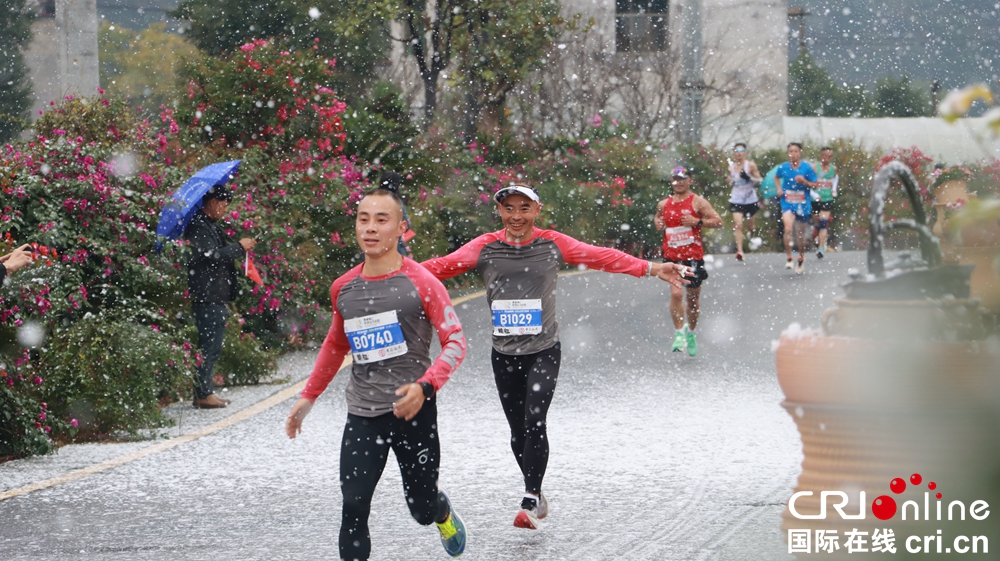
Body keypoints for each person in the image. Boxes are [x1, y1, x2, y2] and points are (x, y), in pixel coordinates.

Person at [421, 183, 690, 530]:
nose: (517, 216)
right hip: (503, 353)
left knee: (535, 418)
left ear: (537, 210)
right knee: (518, 432)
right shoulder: (485, 246)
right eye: (509, 209)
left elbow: (602, 256)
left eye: (524, 208)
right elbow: (439, 267)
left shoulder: (552, 243)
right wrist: (387, 274)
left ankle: (530, 497)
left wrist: (652, 269)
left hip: (544, 350)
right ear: (500, 211)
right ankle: (538, 491)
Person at [285, 184, 469, 560]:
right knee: (353, 507)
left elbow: (456, 342)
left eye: (381, 220)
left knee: (420, 509)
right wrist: (309, 397)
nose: (370, 228)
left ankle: (441, 510)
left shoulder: (422, 283)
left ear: (401, 228)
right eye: (363, 219)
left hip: (412, 411)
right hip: (363, 414)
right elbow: (336, 345)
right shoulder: (344, 288)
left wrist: (425, 387)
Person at [183, 185, 256, 409]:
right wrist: (239, 247)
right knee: (208, 345)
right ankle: (203, 393)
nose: (224, 210)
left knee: (212, 344)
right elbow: (211, 256)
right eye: (223, 205)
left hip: (215, 295)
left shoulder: (209, 225)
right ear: (213, 202)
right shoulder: (198, 226)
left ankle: (205, 391)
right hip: (207, 295)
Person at [654, 167, 724, 356]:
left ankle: (690, 333)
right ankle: (678, 334)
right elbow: (658, 218)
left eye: (682, 179)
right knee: (676, 295)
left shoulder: (698, 202)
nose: (678, 182)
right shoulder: (663, 204)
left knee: (692, 300)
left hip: (692, 257)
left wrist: (698, 221)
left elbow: (718, 221)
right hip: (671, 256)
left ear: (690, 180)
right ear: (671, 181)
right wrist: (658, 223)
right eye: (675, 179)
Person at [774, 142, 818, 275]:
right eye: (790, 151)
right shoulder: (783, 167)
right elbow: (777, 177)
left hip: (802, 203)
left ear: (800, 153)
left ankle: (801, 257)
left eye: (795, 151)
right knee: (787, 228)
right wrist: (779, 189)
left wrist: (804, 182)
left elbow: (815, 185)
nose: (793, 154)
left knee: (800, 234)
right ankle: (789, 257)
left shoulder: (807, 168)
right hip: (787, 201)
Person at [726, 142, 763, 262]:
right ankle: (740, 251)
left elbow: (759, 181)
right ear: (734, 154)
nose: (739, 153)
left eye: (741, 151)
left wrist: (749, 177)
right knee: (738, 225)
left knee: (750, 225)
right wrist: (729, 180)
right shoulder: (731, 167)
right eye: (736, 151)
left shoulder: (750, 166)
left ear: (745, 153)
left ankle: (752, 234)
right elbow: (730, 179)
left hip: (750, 200)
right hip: (736, 199)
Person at [810, 147, 838, 259]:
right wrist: (814, 194)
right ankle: (817, 237)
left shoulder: (833, 168)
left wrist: (834, 189)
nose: (828, 158)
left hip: (827, 199)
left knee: (823, 222)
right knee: (817, 223)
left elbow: (835, 178)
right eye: (826, 155)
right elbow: (807, 183)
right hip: (815, 200)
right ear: (821, 156)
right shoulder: (814, 168)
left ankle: (821, 248)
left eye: (830, 156)